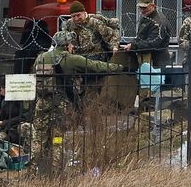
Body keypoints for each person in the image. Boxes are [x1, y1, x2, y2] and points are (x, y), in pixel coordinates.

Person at [29, 30, 125, 173]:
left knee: (38, 136)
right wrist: (121, 68)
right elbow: (96, 66)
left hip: (42, 102)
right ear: (67, 45)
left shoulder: (42, 57)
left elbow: (33, 76)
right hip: (60, 102)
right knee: (57, 137)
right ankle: (55, 170)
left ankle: (32, 169)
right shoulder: (72, 59)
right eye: (71, 44)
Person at [121, 0, 171, 69]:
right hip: (147, 59)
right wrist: (132, 44)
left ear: (152, 6)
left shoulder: (158, 22)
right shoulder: (147, 17)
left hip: (157, 61)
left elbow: (153, 43)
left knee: (154, 80)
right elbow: (141, 36)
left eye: (144, 8)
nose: (142, 10)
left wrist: (133, 46)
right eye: (140, 8)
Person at [0, 76, 28, 145]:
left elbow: (23, 117)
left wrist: (2, 123)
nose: (0, 93)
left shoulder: (20, 100)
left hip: (17, 128)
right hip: (7, 128)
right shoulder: (5, 101)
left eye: (0, 90)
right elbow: (3, 118)